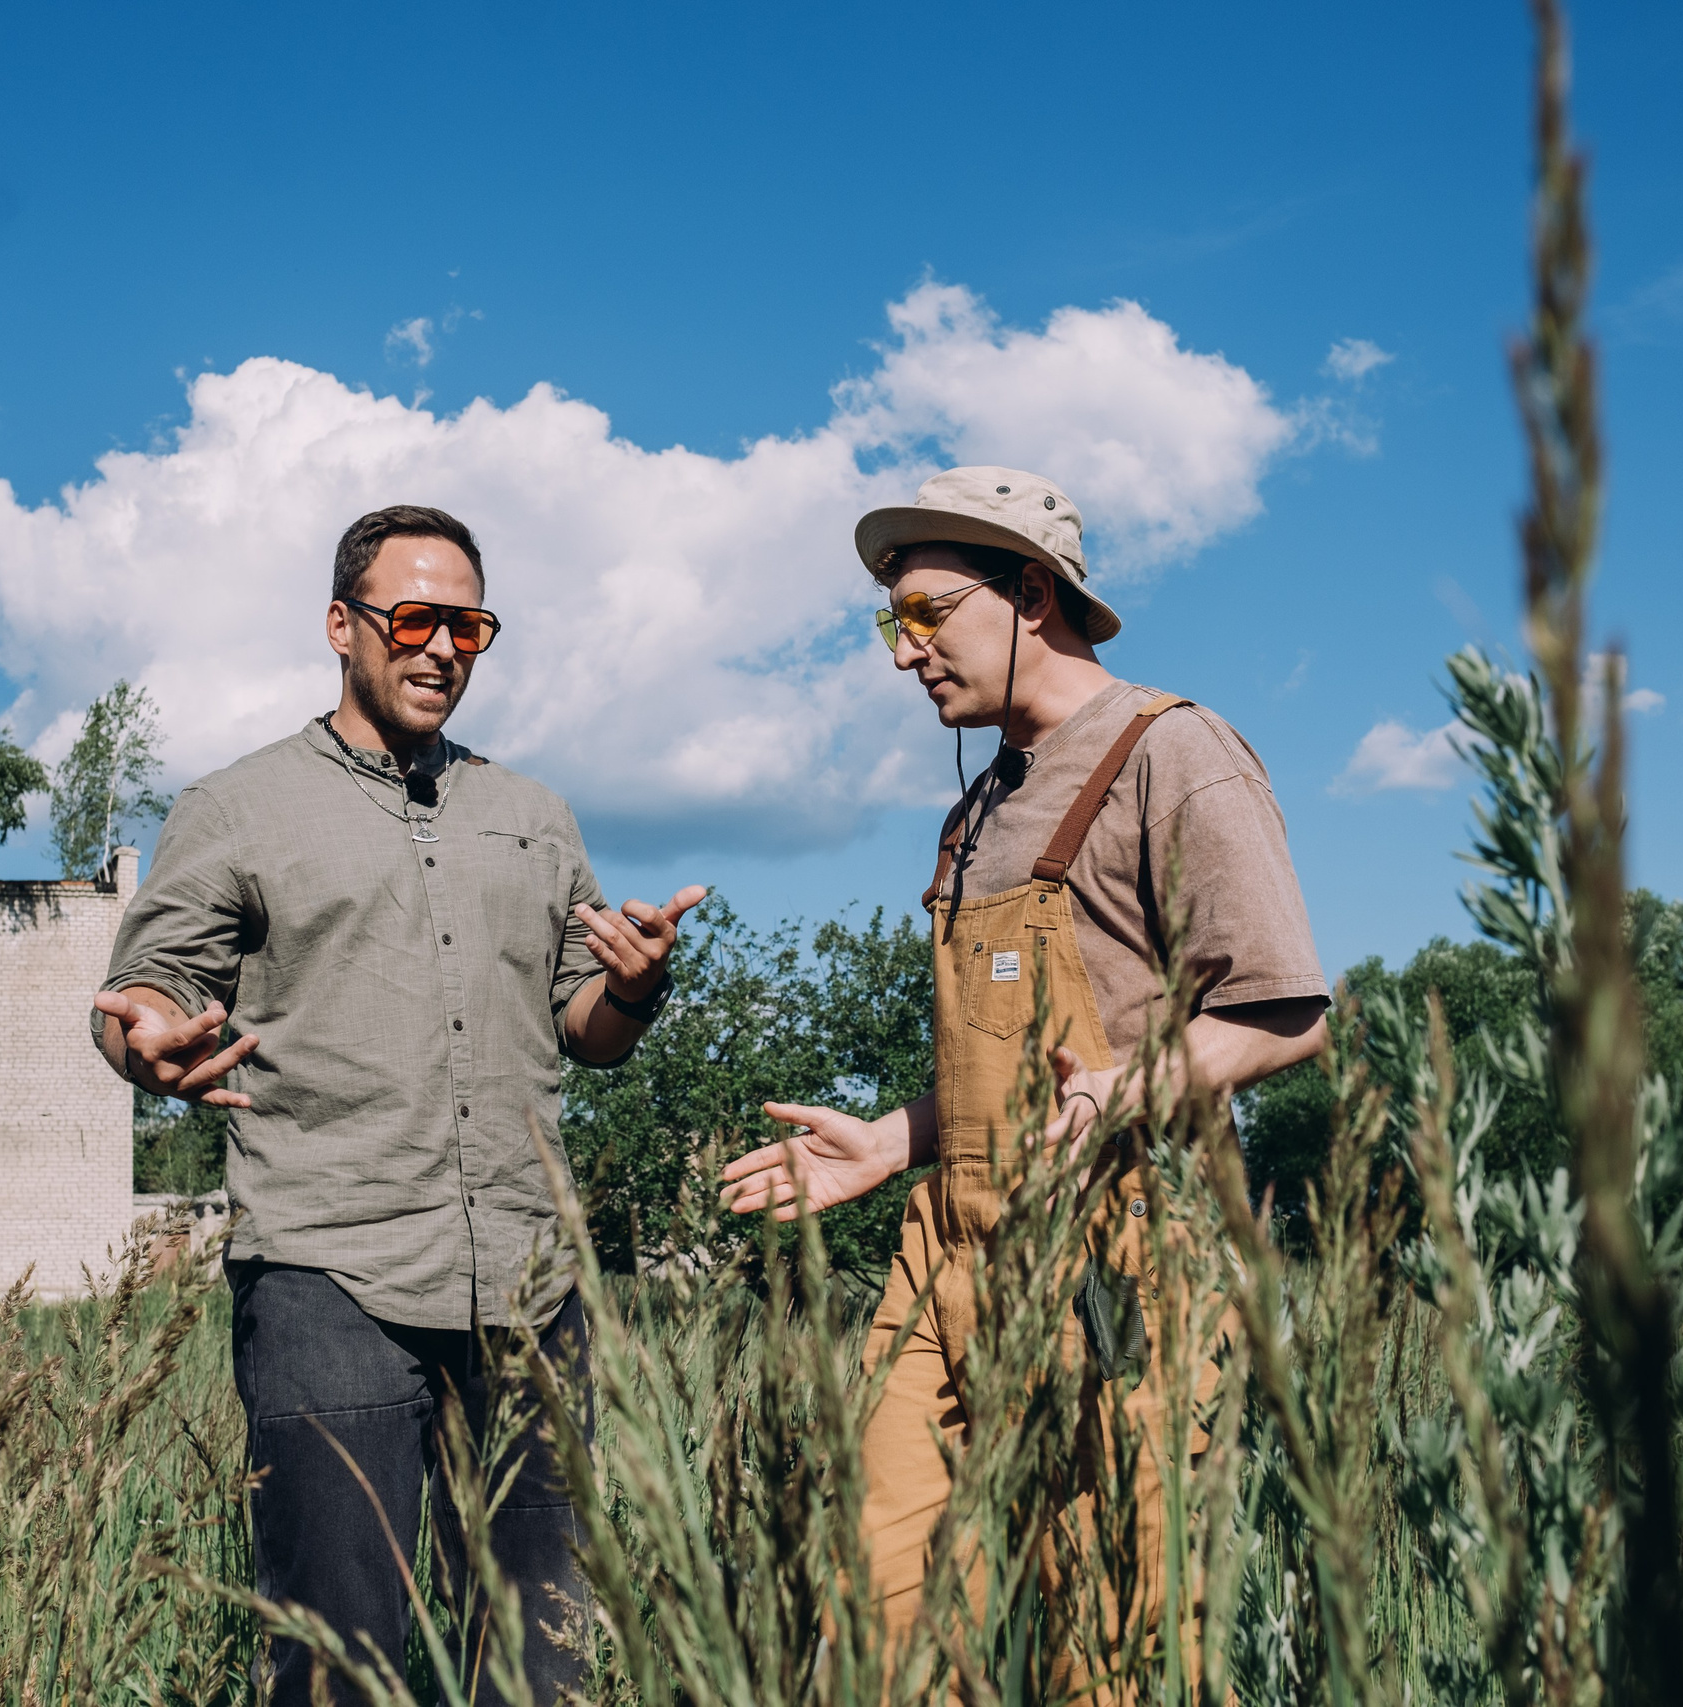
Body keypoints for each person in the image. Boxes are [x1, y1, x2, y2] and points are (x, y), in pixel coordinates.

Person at [719, 466, 1329, 1673]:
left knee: (1105, 1632)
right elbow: (1007, 1070)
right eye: (892, 625)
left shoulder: (1176, 753)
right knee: (875, 1616)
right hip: (942, 1247)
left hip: (1120, 1250)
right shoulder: (978, 807)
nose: (905, 656)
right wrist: (894, 1143)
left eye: (928, 615)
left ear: (1032, 591)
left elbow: (1283, 1011)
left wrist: (1128, 1094)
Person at [92, 504, 703, 1705]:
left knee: (540, 1665)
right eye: (414, 619)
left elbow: (589, 1034)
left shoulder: (534, 817)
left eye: (467, 626)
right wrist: (144, 1038)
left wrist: (638, 986)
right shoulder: (238, 807)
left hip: (529, 1283)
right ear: (343, 625)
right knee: (342, 1662)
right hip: (331, 1268)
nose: (442, 650)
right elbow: (148, 991)